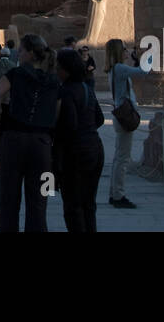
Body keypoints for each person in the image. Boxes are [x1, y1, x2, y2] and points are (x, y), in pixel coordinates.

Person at [0, 34, 60, 232]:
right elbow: (58, 113)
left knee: (8, 203)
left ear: (29, 53)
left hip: (13, 142)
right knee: (40, 203)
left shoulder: (16, 74)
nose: (18, 54)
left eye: (21, 50)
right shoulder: (54, 80)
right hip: (44, 147)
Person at [54, 49, 105, 232]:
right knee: (88, 204)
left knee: (73, 207)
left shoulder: (66, 91)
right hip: (95, 148)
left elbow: (69, 125)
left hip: (75, 153)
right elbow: (99, 118)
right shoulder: (86, 88)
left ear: (65, 69)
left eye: (58, 68)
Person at [106, 38, 148, 209]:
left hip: (119, 115)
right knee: (123, 159)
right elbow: (143, 72)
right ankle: (118, 195)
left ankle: (114, 192)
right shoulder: (120, 68)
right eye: (123, 48)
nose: (126, 51)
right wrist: (146, 57)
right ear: (118, 51)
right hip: (124, 117)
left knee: (119, 157)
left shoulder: (114, 69)